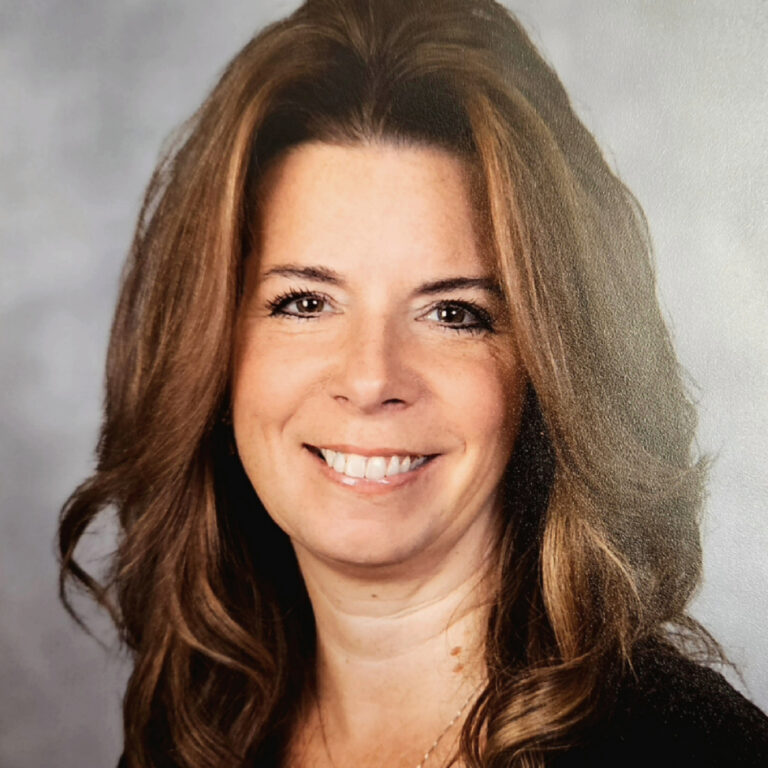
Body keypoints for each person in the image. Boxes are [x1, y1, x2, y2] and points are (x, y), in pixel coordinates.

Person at [58, 0, 768, 766]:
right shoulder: (194, 733)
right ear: (211, 351)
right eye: (304, 302)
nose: (371, 379)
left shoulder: (692, 749)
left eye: (454, 313)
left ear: (549, 365)